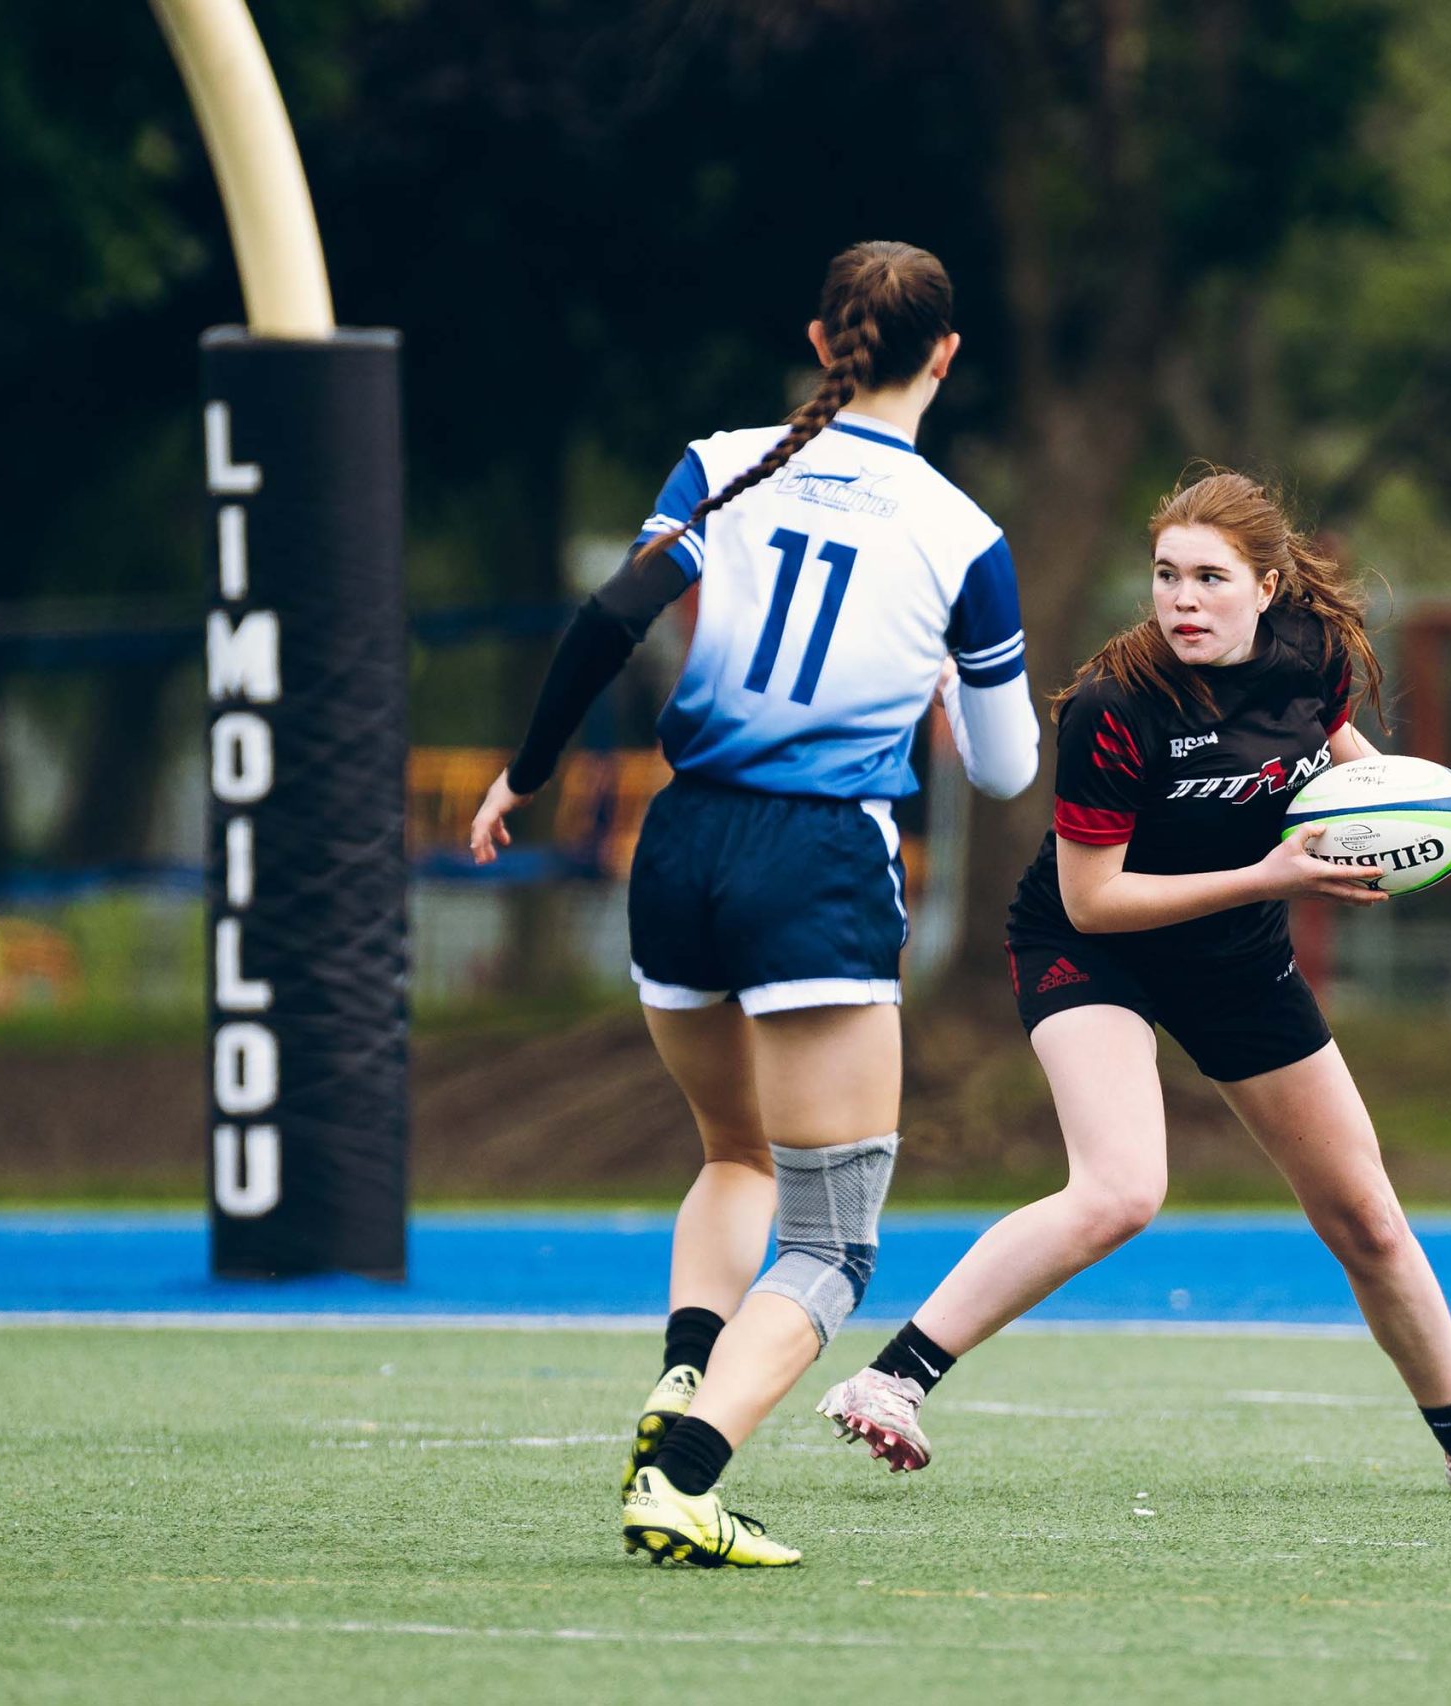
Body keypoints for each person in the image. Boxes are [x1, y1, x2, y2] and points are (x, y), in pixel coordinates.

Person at [815, 470, 1451, 1498]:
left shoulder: (1312, 654)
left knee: (1363, 1214)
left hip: (1232, 953)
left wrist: (1390, 822)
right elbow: (1094, 900)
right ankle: (889, 1379)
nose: (1182, 598)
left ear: (1266, 586)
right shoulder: (1113, 706)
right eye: (1166, 574)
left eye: (1210, 578)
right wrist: (1277, 871)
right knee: (1122, 1189)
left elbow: (1339, 755)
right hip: (1093, 945)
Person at [468, 240, 1039, 1566]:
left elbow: (614, 612)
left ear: (821, 336)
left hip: (682, 845)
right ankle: (685, 1472)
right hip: (815, 863)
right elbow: (1009, 767)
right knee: (834, 1241)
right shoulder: (963, 534)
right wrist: (952, 691)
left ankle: (685, 1373)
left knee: (735, 1151)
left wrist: (526, 770)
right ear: (944, 356)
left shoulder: (723, 458)